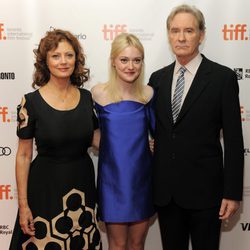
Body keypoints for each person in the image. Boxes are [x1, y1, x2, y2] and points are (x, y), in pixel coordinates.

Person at [148, 4, 244, 250]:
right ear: (168, 35)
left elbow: (234, 141)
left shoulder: (222, 78)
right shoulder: (156, 80)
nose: (181, 37)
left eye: (189, 30)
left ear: (201, 35)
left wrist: (232, 193)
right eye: (175, 30)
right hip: (166, 195)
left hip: (206, 194)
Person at [9, 29, 102, 249]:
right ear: (45, 61)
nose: (63, 61)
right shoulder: (30, 102)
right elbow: (23, 156)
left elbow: (98, 141)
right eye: (56, 55)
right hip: (45, 190)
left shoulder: (88, 98)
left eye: (69, 55)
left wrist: (137, 143)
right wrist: (23, 206)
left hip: (82, 186)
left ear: (76, 59)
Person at [91, 33, 155, 250]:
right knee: (117, 245)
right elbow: (89, 132)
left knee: (137, 244)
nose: (131, 66)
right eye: (124, 60)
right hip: (113, 182)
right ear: (113, 61)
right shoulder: (98, 93)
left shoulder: (149, 94)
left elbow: (160, 134)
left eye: (137, 60)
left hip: (141, 180)